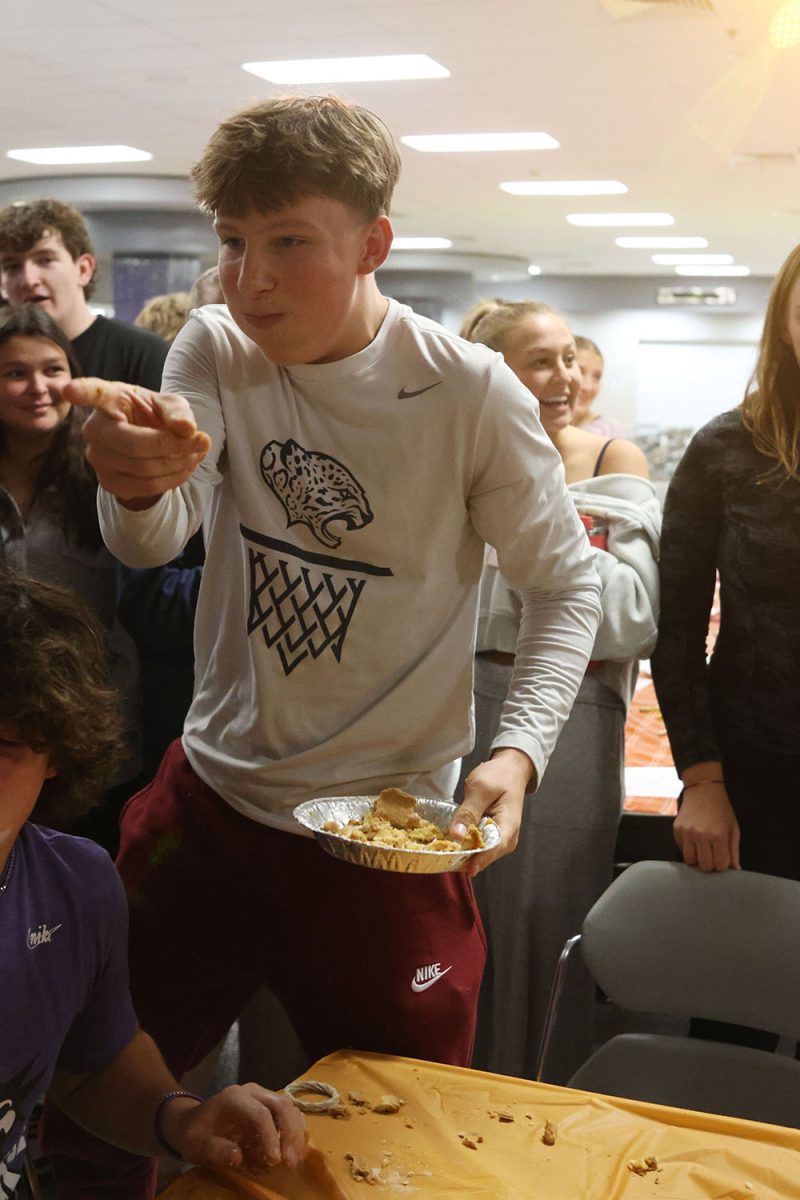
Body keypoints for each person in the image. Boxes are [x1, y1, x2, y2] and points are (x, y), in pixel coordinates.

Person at [45, 96, 602, 1197]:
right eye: (233, 244)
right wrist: (128, 482)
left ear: (371, 245)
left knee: (399, 1139)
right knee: (96, 1106)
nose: (249, 281)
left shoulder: (469, 392)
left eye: (289, 243)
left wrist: (518, 751)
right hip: (211, 800)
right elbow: (161, 538)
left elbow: (563, 585)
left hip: (380, 831)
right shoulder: (215, 343)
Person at [0, 566, 306, 1198]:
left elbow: (92, 1067)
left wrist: (183, 1119)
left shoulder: (74, 890)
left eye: (3, 746)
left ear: (57, 754)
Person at [459, 299, 659, 1083]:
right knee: (458, 925)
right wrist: (549, 561)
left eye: (569, 358)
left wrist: (528, 540)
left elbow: (630, 617)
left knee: (552, 931)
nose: (566, 376)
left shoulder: (616, 460)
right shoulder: (459, 456)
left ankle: (543, 1111)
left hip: (577, 714)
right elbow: (443, 608)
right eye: (541, 361)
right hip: (462, 704)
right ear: (493, 375)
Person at [653, 244, 800, 880]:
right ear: (784, 322)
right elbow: (678, 631)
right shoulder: (727, 446)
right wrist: (703, 779)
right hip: (753, 776)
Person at [0, 303, 142, 846]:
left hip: (94, 724)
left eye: (53, 370)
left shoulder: (106, 464)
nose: (39, 387)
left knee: (81, 888)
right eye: (16, 373)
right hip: (6, 733)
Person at [0, 198, 168, 390]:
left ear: (83, 270)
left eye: (45, 260)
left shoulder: (143, 354)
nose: (29, 280)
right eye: (12, 267)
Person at [572, 335, 624, 437]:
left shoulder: (607, 430)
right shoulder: (537, 427)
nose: (588, 387)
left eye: (597, 377)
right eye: (579, 371)